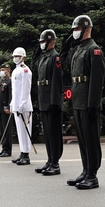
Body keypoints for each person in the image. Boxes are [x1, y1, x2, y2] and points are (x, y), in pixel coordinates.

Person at [64, 15, 105, 190]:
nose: (74, 33)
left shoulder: (94, 50)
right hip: (78, 99)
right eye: (73, 30)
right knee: (82, 137)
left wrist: (93, 104)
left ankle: (92, 175)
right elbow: (65, 63)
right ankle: (85, 169)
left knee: (91, 138)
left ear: (87, 29)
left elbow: (97, 80)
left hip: (89, 101)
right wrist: (66, 42)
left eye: (77, 29)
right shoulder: (78, 49)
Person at [32, 30, 63, 176]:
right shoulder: (44, 57)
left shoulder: (55, 57)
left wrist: (54, 101)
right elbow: (33, 63)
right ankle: (50, 160)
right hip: (44, 100)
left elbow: (57, 81)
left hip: (52, 101)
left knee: (54, 133)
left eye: (43, 41)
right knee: (48, 133)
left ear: (51, 41)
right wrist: (39, 47)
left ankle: (55, 163)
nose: (41, 44)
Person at [10, 47, 33, 166]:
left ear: (23, 57)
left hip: (24, 106)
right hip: (16, 105)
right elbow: (15, 90)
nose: (15, 58)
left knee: (25, 130)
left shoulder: (25, 71)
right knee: (19, 130)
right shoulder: (15, 71)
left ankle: (26, 154)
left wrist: (22, 104)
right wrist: (13, 103)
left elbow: (26, 89)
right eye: (14, 56)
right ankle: (22, 152)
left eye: (17, 56)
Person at [0, 64, 13, 157]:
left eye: (3, 70)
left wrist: (9, 107)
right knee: (2, 130)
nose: (1, 72)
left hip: (5, 108)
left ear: (8, 71)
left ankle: (7, 150)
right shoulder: (1, 80)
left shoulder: (10, 81)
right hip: (0, 108)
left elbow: (10, 95)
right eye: (0, 70)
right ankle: (4, 148)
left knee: (7, 130)